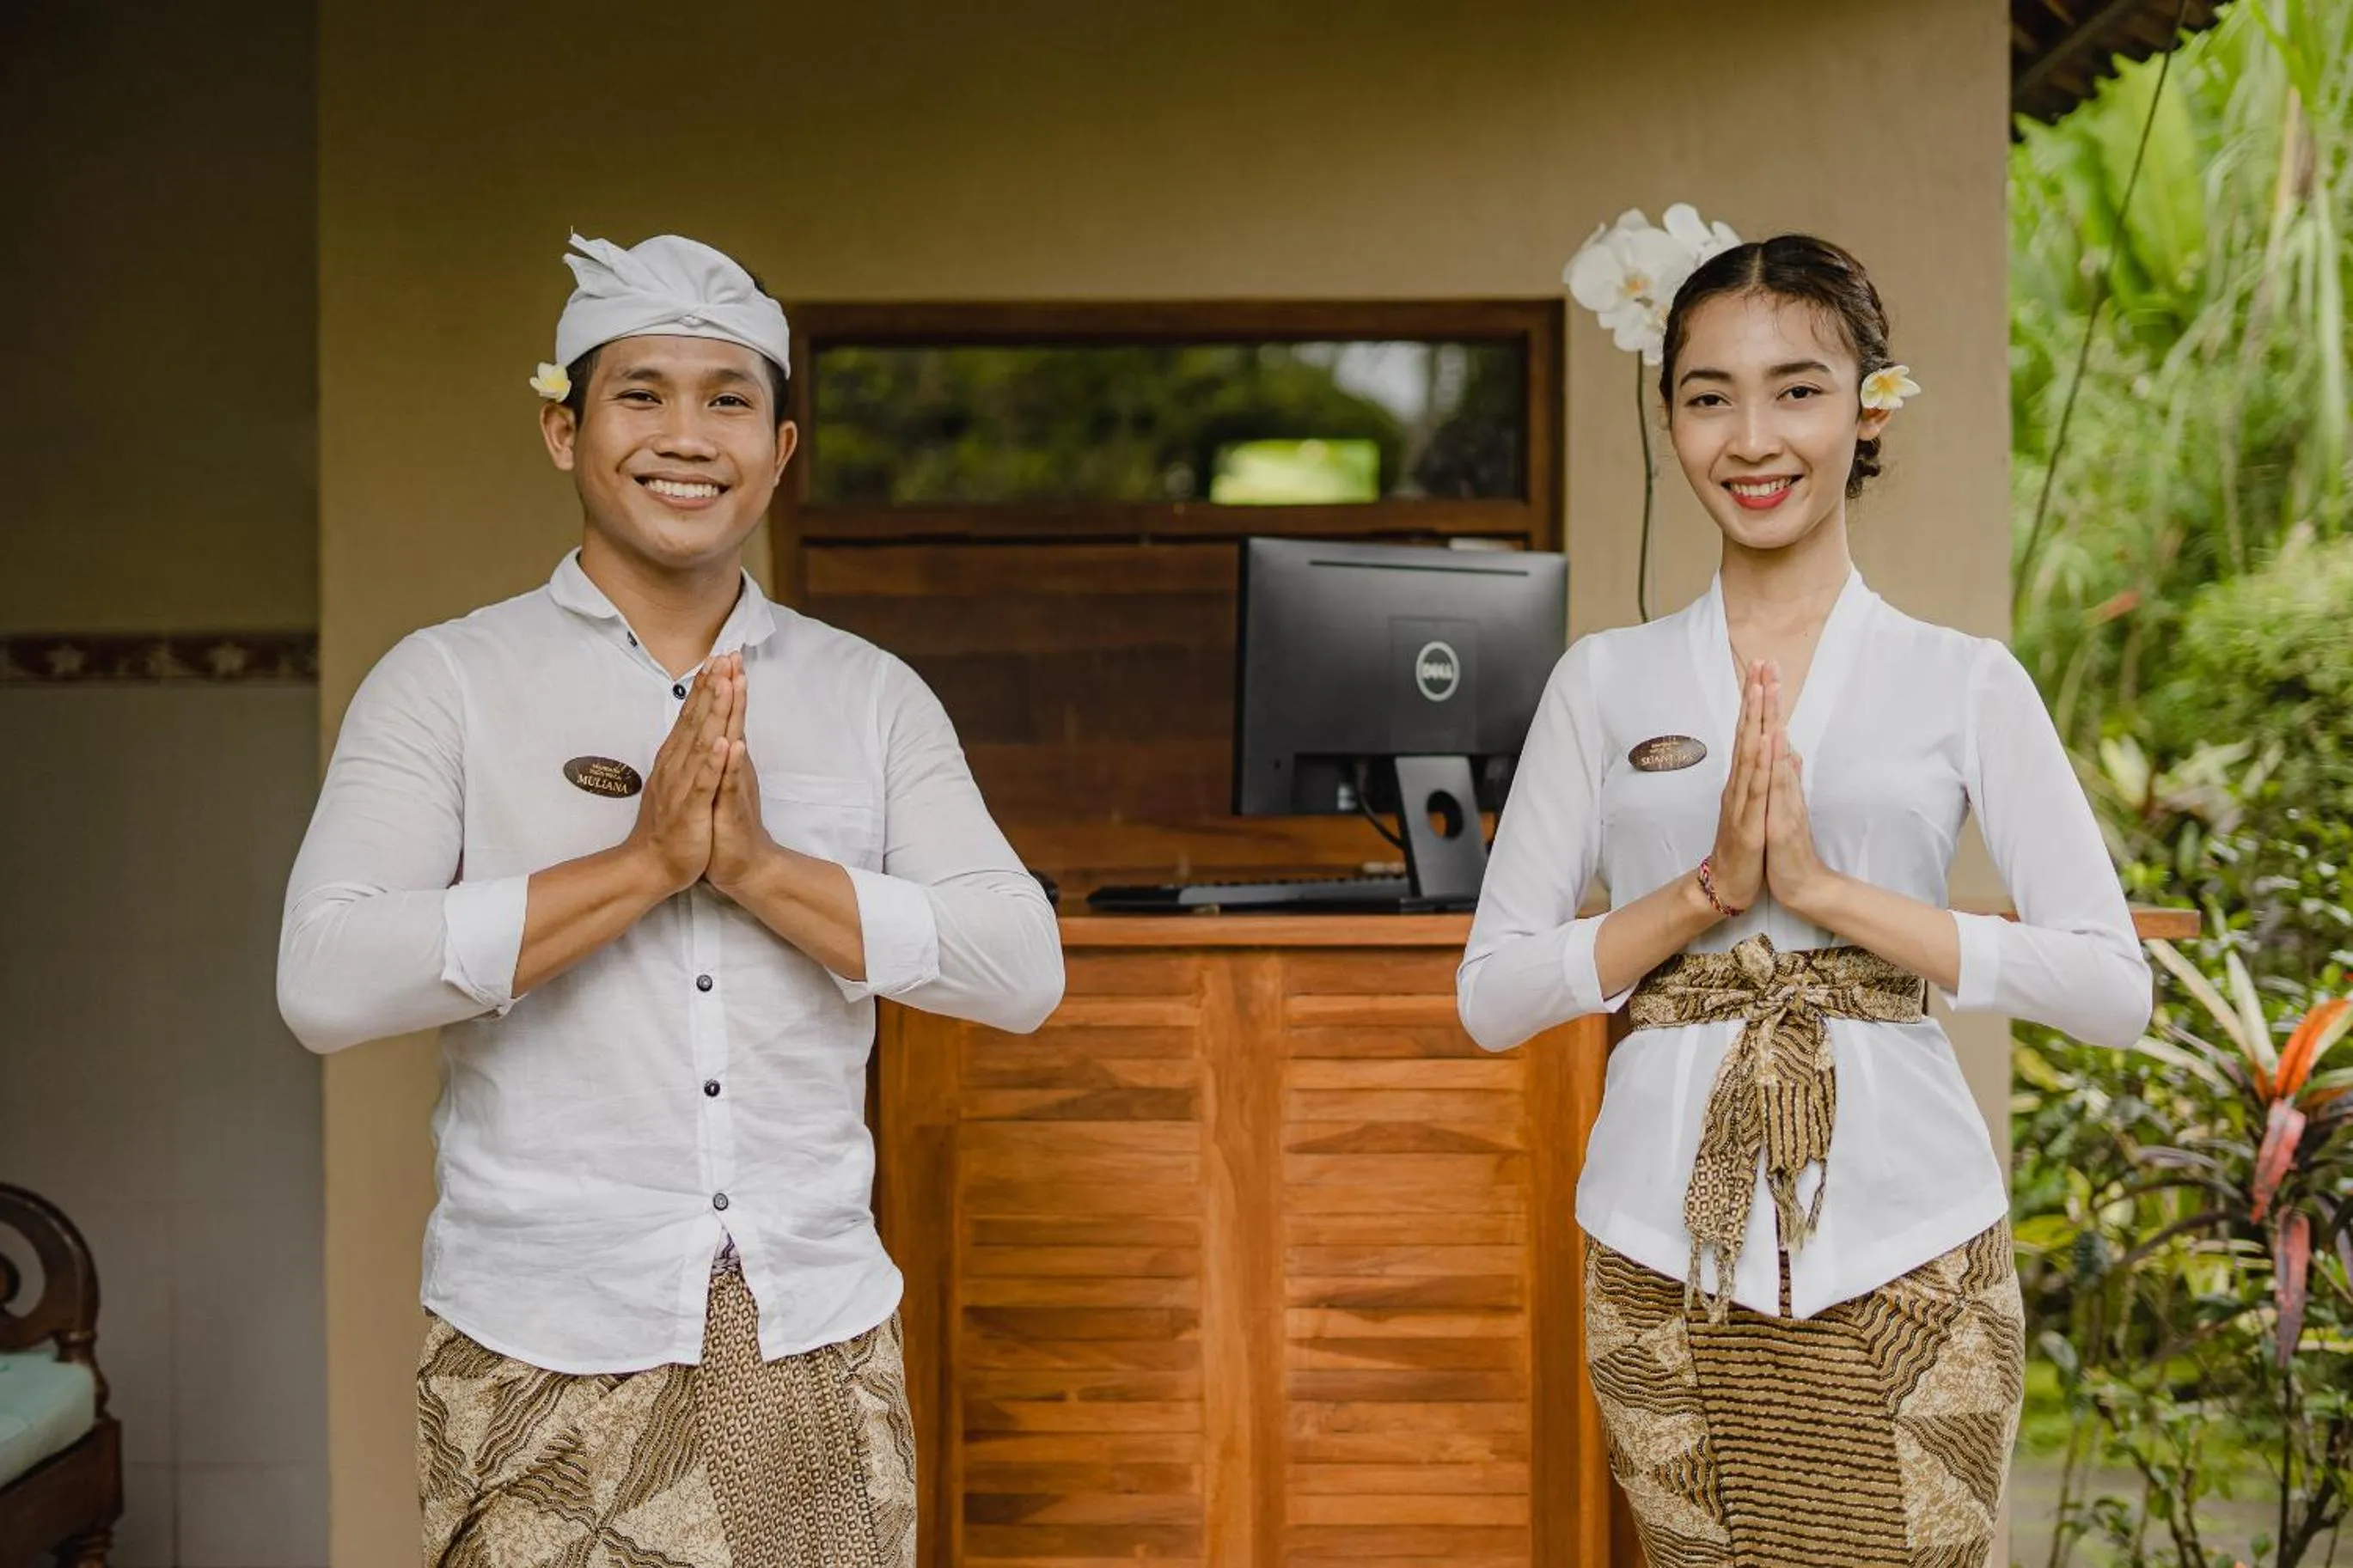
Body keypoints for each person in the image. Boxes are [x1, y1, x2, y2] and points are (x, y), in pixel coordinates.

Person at [278, 232, 1064, 1567]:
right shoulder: (447, 681)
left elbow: (1019, 969)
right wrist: (642, 866)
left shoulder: (868, 694)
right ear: (563, 430)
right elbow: (325, 980)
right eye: (640, 394)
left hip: (809, 1334)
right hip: (534, 1340)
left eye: (728, 400)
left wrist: (758, 869)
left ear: (781, 447)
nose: (685, 437)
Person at [1457, 235, 2151, 1566]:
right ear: (1668, 419)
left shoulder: (1963, 680)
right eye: (1708, 396)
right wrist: (1705, 893)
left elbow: (2110, 986)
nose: (1751, 438)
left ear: (1868, 408)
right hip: (1658, 1260)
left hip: (1919, 1252)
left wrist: (1826, 894)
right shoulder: (1602, 683)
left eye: (1797, 389)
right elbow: (1491, 997)